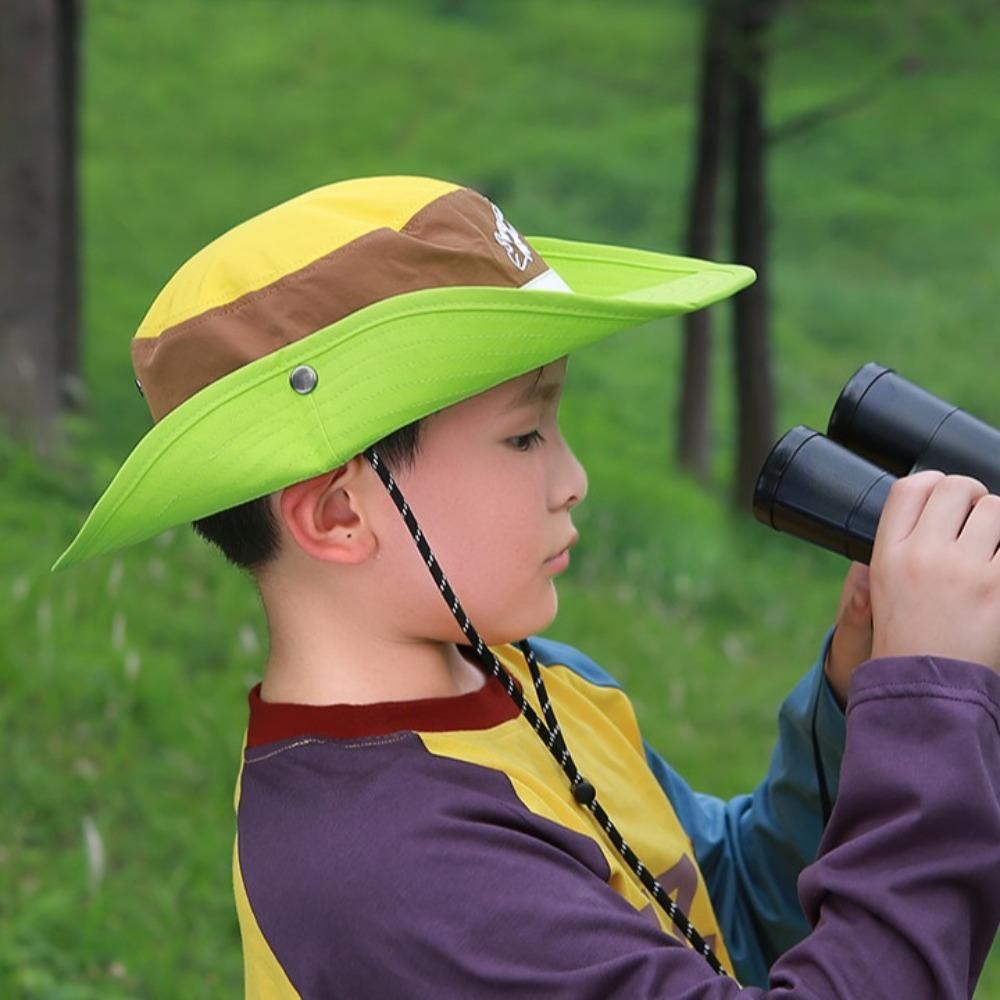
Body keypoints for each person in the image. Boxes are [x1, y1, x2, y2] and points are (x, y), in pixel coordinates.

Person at [54, 176, 1000, 998]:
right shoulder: (391, 874)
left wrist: (857, 682)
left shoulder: (529, 683)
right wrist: (931, 704)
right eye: (524, 436)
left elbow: (734, 928)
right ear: (340, 517)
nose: (573, 476)